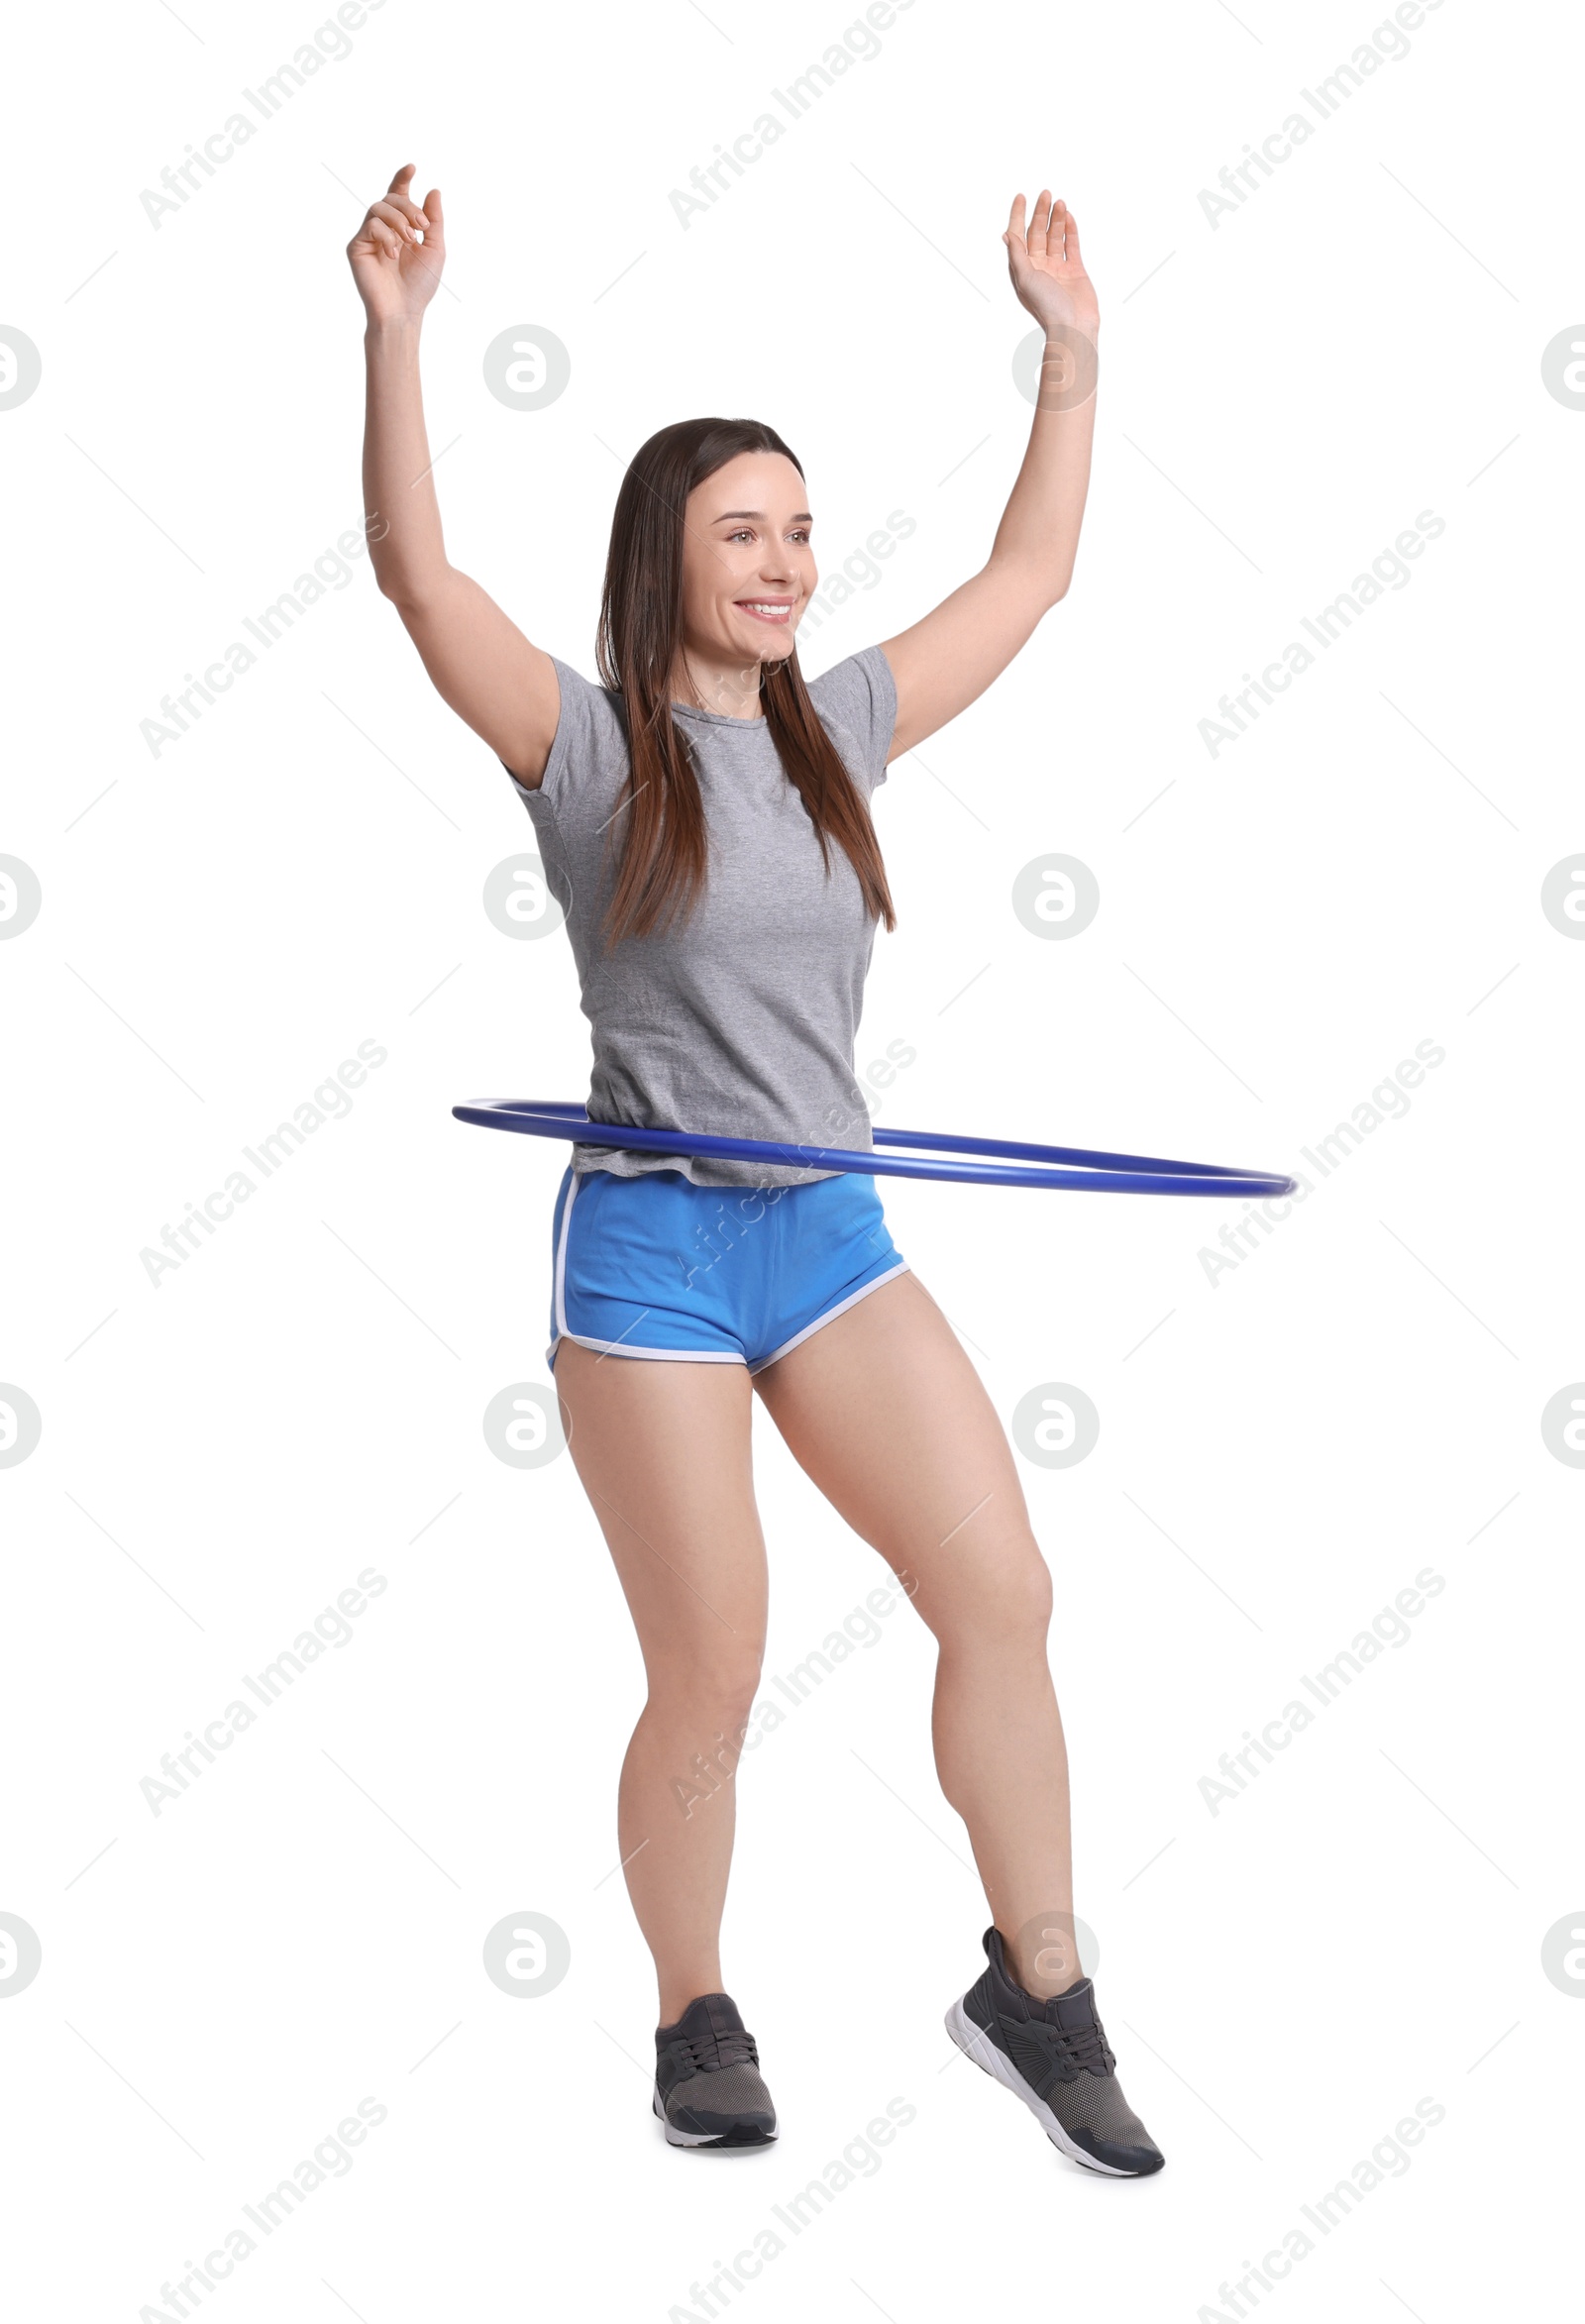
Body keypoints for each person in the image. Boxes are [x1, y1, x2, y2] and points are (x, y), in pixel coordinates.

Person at [348, 162, 1163, 2177]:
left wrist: (1067, 355)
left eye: (800, 528)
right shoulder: (589, 749)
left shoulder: (844, 729)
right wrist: (395, 339)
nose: (787, 561)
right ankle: (690, 2009)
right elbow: (420, 588)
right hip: (648, 1253)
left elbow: (1028, 582)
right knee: (713, 1657)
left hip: (823, 1232)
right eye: (745, 532)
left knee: (1002, 1588)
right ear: (666, 558)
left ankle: (1036, 1987)